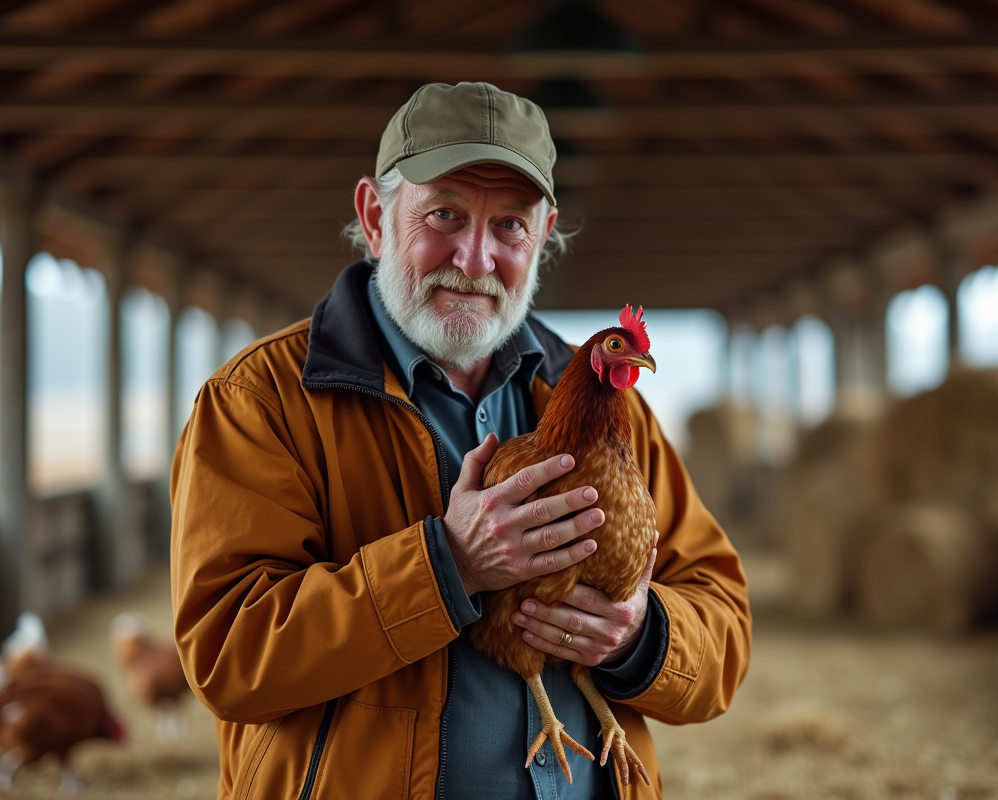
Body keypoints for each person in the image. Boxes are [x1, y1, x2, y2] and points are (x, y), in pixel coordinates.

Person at [171, 81, 751, 800]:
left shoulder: (607, 411)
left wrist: (639, 636)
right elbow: (228, 656)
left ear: (543, 235)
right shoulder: (261, 403)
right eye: (445, 213)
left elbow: (723, 627)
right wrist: (446, 566)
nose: (475, 259)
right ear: (375, 216)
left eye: (510, 225)